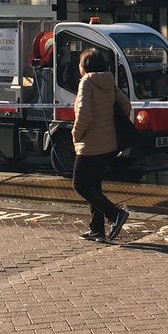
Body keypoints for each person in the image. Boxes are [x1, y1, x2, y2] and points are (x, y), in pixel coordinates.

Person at [71, 48, 130, 243]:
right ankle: (96, 229)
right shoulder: (108, 81)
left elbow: (84, 113)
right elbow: (126, 105)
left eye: (80, 63)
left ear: (85, 66)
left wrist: (75, 134)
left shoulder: (86, 82)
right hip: (108, 143)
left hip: (90, 144)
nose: (78, 67)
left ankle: (115, 214)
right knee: (94, 185)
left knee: (79, 184)